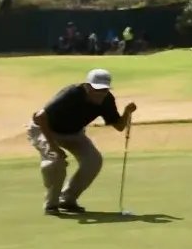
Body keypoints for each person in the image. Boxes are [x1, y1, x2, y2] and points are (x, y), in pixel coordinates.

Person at [28, 68, 135, 216]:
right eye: (96, 89)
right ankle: (51, 205)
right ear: (87, 86)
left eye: (104, 90)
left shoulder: (107, 100)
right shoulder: (71, 94)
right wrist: (54, 147)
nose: (100, 93)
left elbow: (119, 126)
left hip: (73, 133)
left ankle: (67, 200)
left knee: (93, 161)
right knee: (56, 162)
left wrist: (127, 112)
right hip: (44, 129)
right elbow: (40, 117)